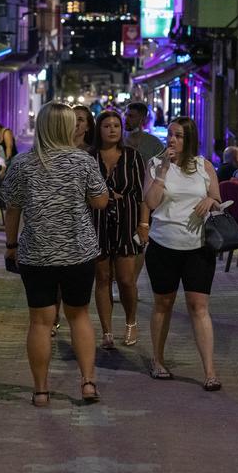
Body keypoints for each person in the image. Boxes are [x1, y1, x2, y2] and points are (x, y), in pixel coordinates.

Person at [3, 102, 109, 406]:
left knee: (40, 322)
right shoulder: (83, 162)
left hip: (37, 253)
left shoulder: (22, 164)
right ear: (66, 128)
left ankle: (40, 391)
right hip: (78, 252)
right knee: (79, 316)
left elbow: (12, 208)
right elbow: (101, 202)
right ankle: (87, 383)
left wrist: (11, 246)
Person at [139, 116, 222, 391]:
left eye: (179, 136)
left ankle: (210, 371)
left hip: (198, 247)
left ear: (189, 140)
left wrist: (211, 200)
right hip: (164, 244)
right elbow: (150, 203)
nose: (172, 140)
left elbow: (218, 203)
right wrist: (162, 172)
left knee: (199, 307)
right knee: (163, 304)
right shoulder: (154, 165)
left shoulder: (204, 166)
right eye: (170, 135)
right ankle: (158, 360)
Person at [90, 110, 145, 350]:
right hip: (97, 223)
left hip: (127, 222)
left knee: (125, 279)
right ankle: (107, 331)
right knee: (102, 278)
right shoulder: (89, 158)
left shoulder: (133, 156)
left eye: (116, 125)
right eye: (106, 126)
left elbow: (142, 194)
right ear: (98, 130)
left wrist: (144, 224)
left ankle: (131, 321)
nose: (112, 129)